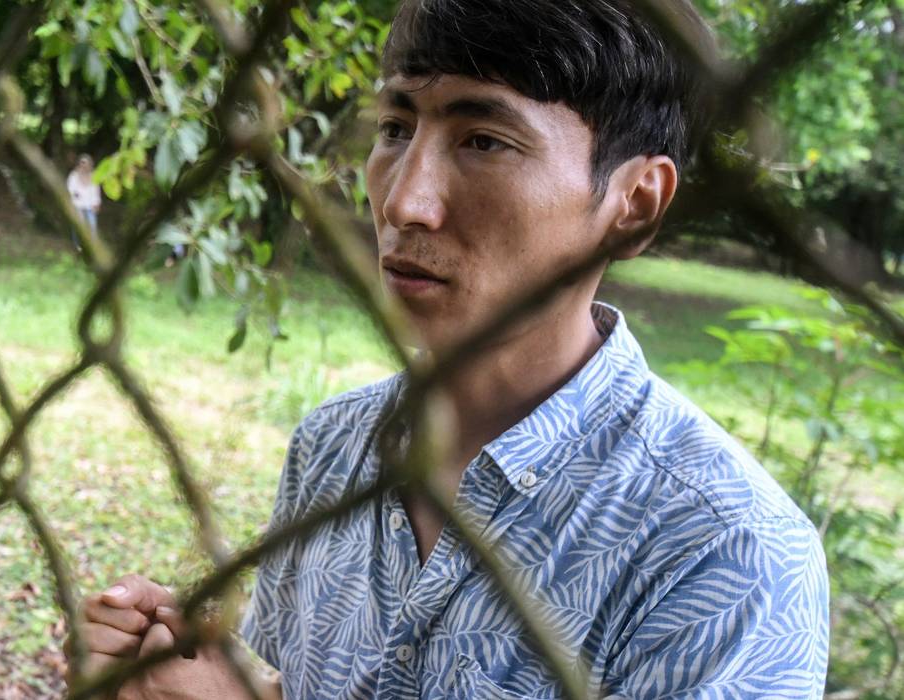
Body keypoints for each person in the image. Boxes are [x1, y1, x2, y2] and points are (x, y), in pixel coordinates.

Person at [78, 1, 830, 698]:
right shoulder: (331, 446)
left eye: (484, 142)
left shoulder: (728, 553)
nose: (403, 202)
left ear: (632, 205)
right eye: (395, 128)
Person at [67, 153, 102, 238]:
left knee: (92, 227)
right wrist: (75, 195)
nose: (84, 166)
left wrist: (97, 204)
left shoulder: (94, 176)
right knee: (78, 228)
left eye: (86, 164)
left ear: (90, 165)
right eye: (82, 163)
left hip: (90, 206)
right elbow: (70, 189)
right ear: (79, 164)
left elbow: (96, 192)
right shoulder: (74, 176)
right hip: (77, 206)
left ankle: (91, 244)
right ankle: (78, 245)